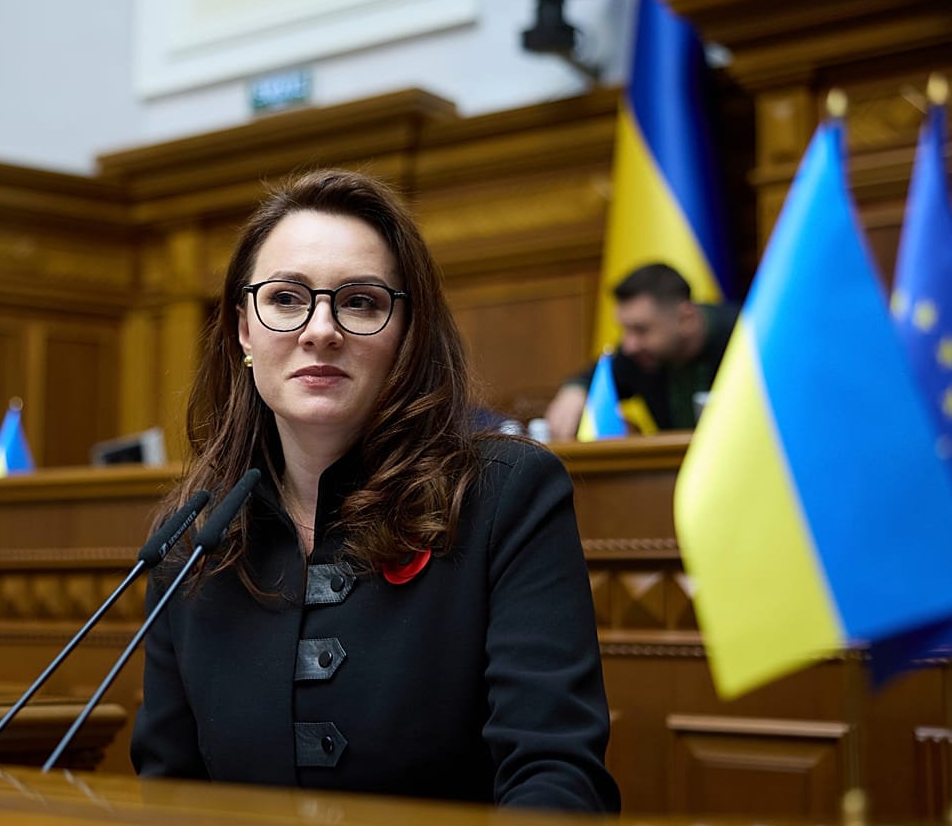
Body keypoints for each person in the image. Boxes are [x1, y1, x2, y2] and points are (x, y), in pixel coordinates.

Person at [130, 169, 619, 811]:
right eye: (285, 298)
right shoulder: (195, 537)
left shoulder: (506, 496)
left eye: (360, 302)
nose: (320, 329)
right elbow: (169, 795)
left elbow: (557, 778)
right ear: (242, 331)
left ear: (406, 334)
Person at [544, 263, 738, 440]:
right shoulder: (638, 356)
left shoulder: (744, 340)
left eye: (641, 329)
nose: (629, 345)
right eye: (625, 330)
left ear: (686, 319)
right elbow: (594, 379)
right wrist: (575, 390)